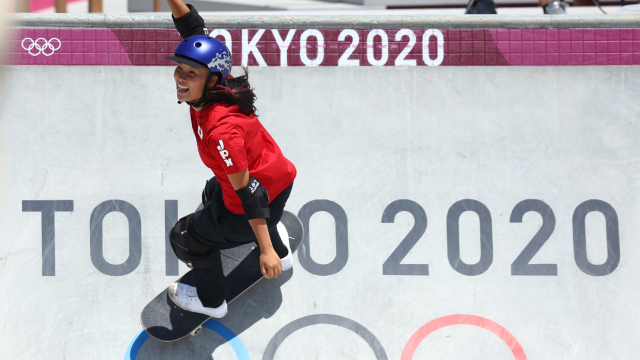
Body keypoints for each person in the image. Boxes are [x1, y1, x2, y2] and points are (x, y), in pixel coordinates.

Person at [163, 0, 297, 318]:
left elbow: (248, 192)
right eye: (180, 69)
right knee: (213, 191)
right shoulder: (223, 83)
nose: (181, 78)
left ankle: (212, 302)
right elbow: (193, 29)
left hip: (255, 197)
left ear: (210, 80)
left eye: (191, 74)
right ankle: (280, 247)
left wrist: (264, 251)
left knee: (184, 238)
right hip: (279, 179)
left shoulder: (219, 131)